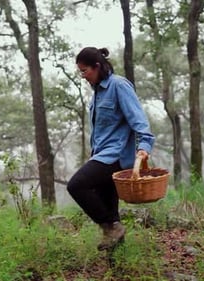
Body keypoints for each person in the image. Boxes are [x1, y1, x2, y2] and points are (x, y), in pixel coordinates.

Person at [67, 47, 155, 251]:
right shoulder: (97, 93)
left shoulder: (119, 85)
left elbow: (140, 122)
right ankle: (118, 266)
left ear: (97, 66)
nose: (83, 76)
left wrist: (144, 147)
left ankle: (110, 227)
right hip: (100, 155)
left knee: (76, 185)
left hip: (114, 157)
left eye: (84, 71)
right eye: (80, 72)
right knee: (110, 212)